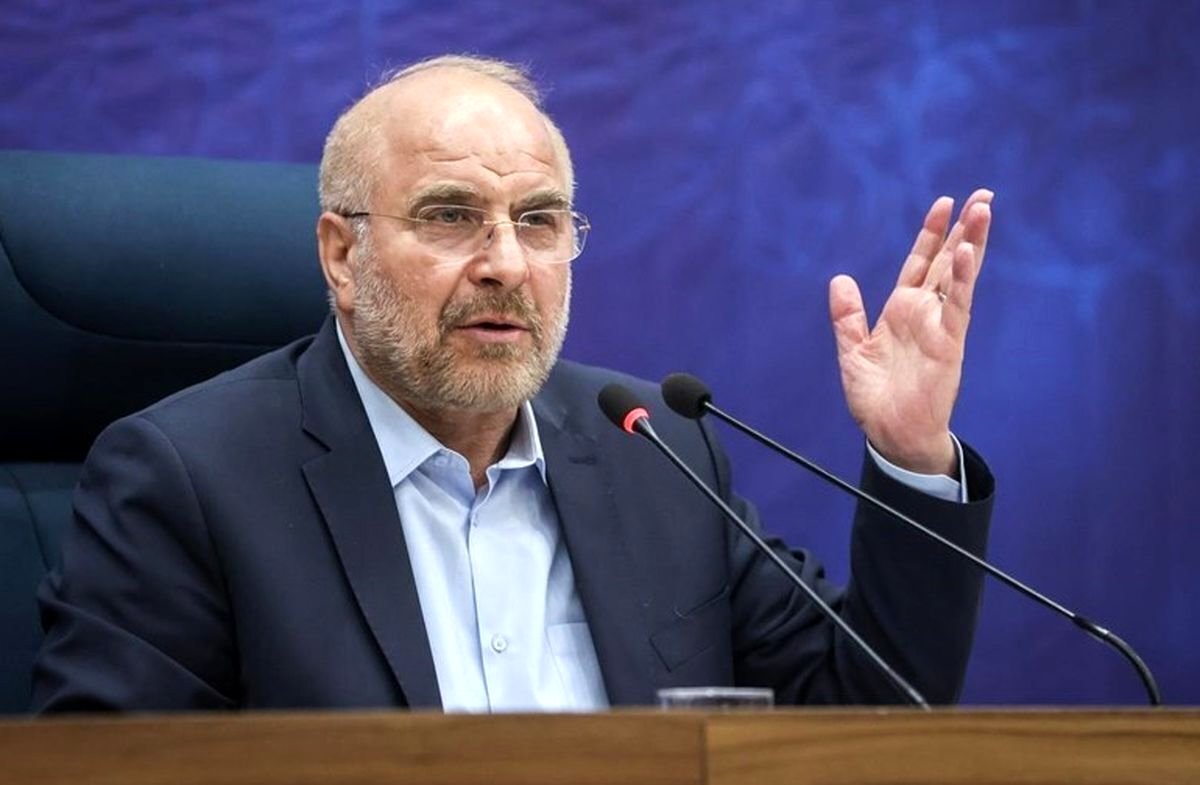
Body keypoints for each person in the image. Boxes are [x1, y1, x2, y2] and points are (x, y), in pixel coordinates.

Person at [32, 55, 994, 713]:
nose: (505, 263)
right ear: (341, 254)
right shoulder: (190, 478)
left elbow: (870, 709)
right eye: (451, 216)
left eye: (538, 221)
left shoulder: (653, 446)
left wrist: (910, 454)